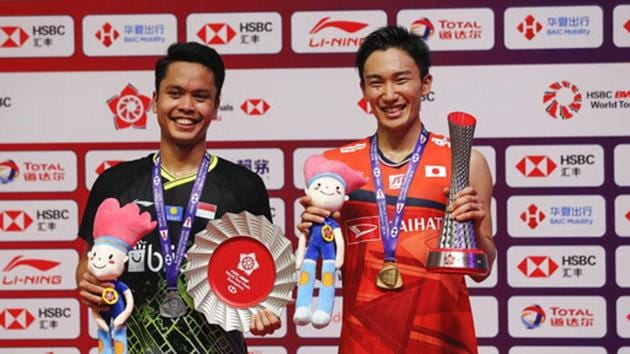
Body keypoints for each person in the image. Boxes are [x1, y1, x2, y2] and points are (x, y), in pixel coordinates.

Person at [298, 26, 496, 354]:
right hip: (364, 343)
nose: (389, 95)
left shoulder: (465, 161)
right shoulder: (335, 169)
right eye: (376, 82)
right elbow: (323, 271)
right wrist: (312, 238)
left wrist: (476, 233)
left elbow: (482, 271)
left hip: (443, 343)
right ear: (363, 89)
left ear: (425, 84)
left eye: (401, 79)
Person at [76, 42, 280, 354]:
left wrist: (263, 311)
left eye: (200, 97)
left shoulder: (245, 187)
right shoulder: (115, 184)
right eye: (175, 93)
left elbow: (264, 276)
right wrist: (89, 283)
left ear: (215, 106)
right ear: (155, 101)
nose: (187, 106)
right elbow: (87, 262)